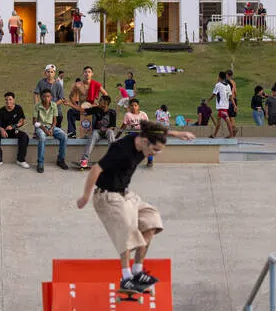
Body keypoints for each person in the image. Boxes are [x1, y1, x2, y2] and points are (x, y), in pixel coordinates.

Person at [76, 120, 196, 293]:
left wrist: (177, 134)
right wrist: (85, 196)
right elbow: (96, 169)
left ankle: (137, 271)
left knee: (151, 220)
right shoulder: (121, 150)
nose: (154, 154)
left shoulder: (144, 138)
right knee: (127, 230)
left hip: (126, 195)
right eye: (155, 150)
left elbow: (156, 130)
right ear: (146, 142)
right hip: (107, 197)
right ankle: (126, 278)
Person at [0, 91, 30, 169]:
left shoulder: (18, 108)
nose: (8, 101)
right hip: (3, 131)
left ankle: (21, 160)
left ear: (13, 100)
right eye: (6, 100)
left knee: (24, 136)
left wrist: (13, 126)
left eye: (10, 99)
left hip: (14, 130)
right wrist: (2, 130)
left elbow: (22, 122)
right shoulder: (1, 110)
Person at [33, 87, 69, 172]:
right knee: (42, 137)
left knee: (64, 136)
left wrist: (52, 129)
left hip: (51, 127)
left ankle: (60, 160)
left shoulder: (53, 105)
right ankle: (40, 163)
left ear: (51, 97)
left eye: (48, 96)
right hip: (40, 127)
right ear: (41, 97)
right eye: (44, 96)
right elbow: (34, 122)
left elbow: (55, 120)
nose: (46, 98)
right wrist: (44, 129)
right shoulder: (37, 106)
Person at [79, 94, 118, 169]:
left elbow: (113, 126)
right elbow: (82, 110)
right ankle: (84, 160)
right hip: (98, 131)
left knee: (110, 132)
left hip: (107, 131)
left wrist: (106, 129)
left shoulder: (112, 112)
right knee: (94, 134)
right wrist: (70, 104)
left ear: (105, 103)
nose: (98, 101)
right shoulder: (96, 109)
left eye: (100, 100)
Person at [209, 72, 234, 136]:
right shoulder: (228, 85)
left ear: (219, 77)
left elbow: (214, 94)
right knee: (218, 119)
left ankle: (231, 133)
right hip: (225, 106)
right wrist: (234, 105)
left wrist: (208, 100)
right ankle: (214, 135)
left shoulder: (218, 85)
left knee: (227, 120)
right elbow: (231, 96)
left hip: (221, 106)